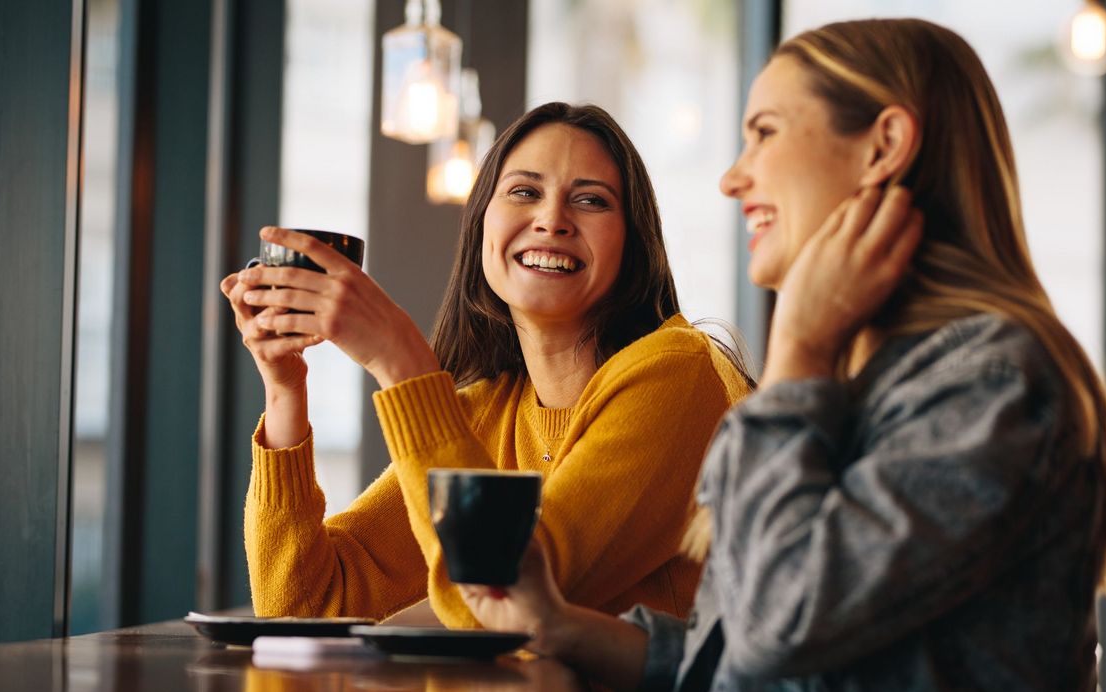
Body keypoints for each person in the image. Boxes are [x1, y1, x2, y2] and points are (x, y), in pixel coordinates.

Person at [456, 19, 1106, 692]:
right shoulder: (865, 381)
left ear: (884, 147)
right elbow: (753, 667)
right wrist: (559, 626)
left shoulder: (990, 382)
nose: (732, 177)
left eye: (766, 132)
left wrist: (798, 352)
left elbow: (783, 625)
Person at [220, 102, 754, 629]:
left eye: (591, 201)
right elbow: (306, 607)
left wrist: (399, 359)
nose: (552, 220)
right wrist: (285, 389)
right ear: (481, 227)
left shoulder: (676, 374)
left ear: (633, 244)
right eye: (525, 192)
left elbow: (508, 599)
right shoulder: (486, 414)